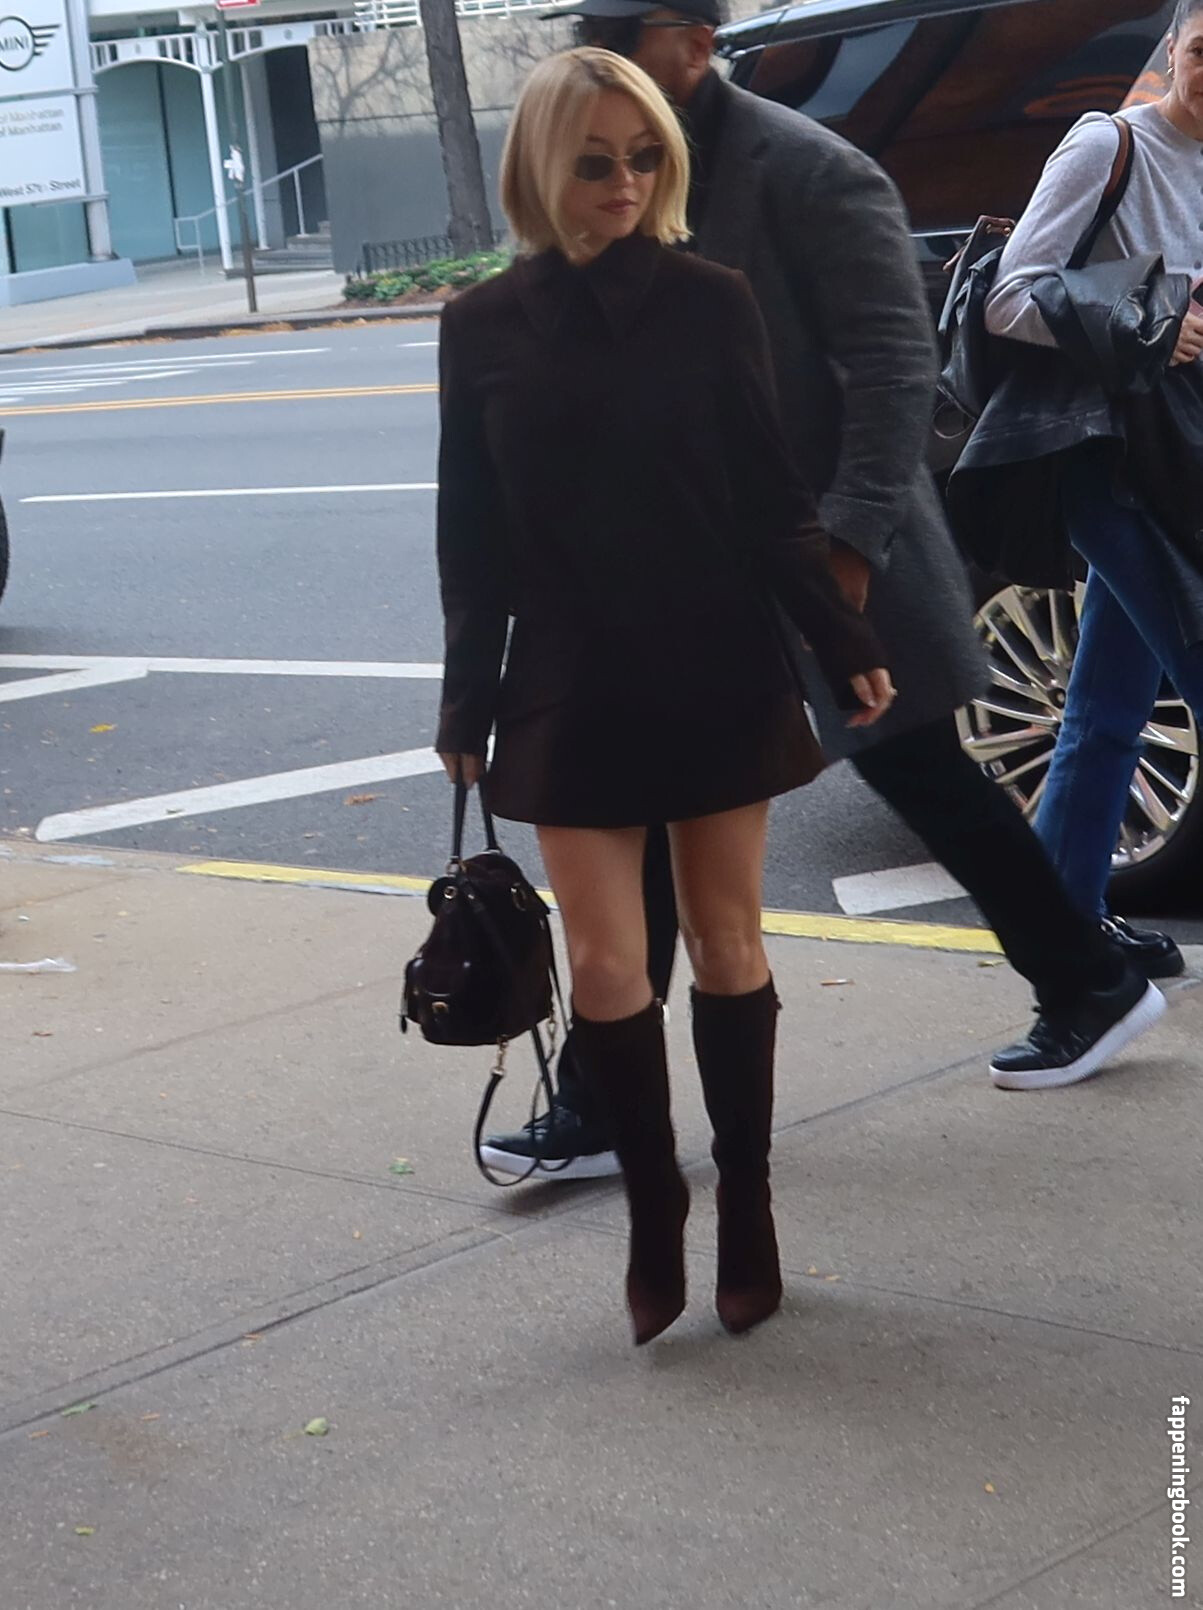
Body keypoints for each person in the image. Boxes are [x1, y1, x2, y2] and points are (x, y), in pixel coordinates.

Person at [478, 0, 1169, 1179]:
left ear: (692, 43)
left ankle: (1089, 979)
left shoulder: (808, 169)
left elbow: (896, 366)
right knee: (680, 792)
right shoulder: (627, 157)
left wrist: (847, 551)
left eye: (614, 28)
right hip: (690, 559)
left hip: (824, 552)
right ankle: (604, 1094)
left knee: (918, 769)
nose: (588, 47)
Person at [434, 47, 895, 1344]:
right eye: (595, 162)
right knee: (602, 960)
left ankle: (745, 1199)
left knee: (728, 937)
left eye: (645, 158)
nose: (626, 183)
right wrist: (466, 702)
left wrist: (840, 635)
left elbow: (771, 497)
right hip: (566, 676)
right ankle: (654, 1206)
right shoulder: (479, 327)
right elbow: (470, 536)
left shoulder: (711, 302)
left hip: (715, 658)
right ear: (542, 168)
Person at [984, 0, 1203, 957]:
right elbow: (1007, 295)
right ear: (1172, 49)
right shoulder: (1107, 145)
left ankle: (1064, 943)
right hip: (1105, 455)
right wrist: (1145, 318)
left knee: (1107, 709)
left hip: (1179, 455)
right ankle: (1064, 960)